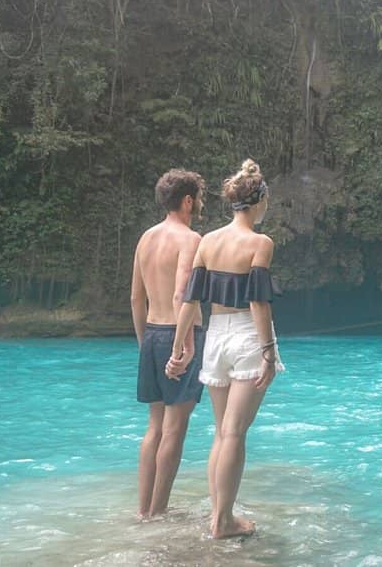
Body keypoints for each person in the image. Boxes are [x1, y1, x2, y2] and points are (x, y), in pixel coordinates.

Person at [167, 159, 284, 539]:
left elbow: (190, 301)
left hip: (215, 335)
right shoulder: (260, 243)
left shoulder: (207, 241)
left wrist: (179, 348)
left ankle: (219, 514)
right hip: (249, 335)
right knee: (235, 433)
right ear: (260, 200)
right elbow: (258, 302)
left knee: (221, 432)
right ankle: (223, 522)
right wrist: (268, 349)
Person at [131, 169, 205, 519]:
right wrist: (183, 347)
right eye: (198, 199)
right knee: (175, 428)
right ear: (187, 200)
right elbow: (182, 296)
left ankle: (143, 509)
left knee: (154, 427)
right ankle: (158, 512)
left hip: (151, 332)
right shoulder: (190, 239)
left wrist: (144, 342)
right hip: (179, 333)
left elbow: (135, 298)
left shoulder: (146, 238)